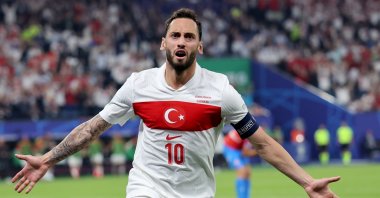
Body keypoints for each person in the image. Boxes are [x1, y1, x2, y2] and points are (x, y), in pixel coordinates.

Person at [11, 8, 340, 197]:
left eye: (189, 36)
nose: (181, 41)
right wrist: (49, 159)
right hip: (146, 188)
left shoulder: (221, 91)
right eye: (175, 35)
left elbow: (263, 143)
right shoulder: (139, 85)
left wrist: (308, 183)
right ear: (163, 43)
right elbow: (92, 129)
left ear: (200, 46)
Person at [223, 129, 257, 198]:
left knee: (247, 172)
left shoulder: (248, 133)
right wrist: (257, 152)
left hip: (239, 149)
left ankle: (246, 196)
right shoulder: (248, 135)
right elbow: (245, 152)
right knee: (242, 172)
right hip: (231, 150)